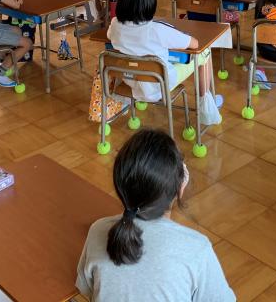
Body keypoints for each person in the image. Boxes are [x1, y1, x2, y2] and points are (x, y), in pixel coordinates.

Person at [76, 129, 235, 302]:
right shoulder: (197, 249)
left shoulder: (97, 230)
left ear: (119, 186)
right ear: (180, 187)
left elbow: (86, 288)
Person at [107, 0, 218, 111]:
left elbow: (109, 35)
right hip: (160, 85)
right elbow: (194, 44)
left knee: (157, 59)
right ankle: (206, 105)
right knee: (205, 52)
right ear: (150, 1)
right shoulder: (157, 30)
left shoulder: (115, 25)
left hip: (132, 82)